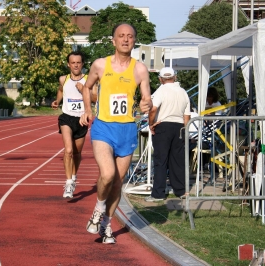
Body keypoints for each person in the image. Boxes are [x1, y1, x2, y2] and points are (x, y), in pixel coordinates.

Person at [79, 23, 152, 244]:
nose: (125, 39)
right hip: (104, 127)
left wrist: (146, 104)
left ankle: (107, 225)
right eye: (121, 36)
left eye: (130, 36)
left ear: (134, 41)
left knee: (118, 183)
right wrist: (88, 109)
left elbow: (147, 98)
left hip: (128, 130)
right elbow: (86, 86)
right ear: (113, 40)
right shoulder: (100, 65)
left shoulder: (140, 69)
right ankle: (98, 210)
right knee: (108, 174)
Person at [145, 67, 191, 202]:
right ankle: (181, 190)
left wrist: (151, 123)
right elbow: (186, 115)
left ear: (160, 79)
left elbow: (153, 108)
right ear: (175, 77)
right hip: (179, 126)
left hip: (163, 125)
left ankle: (158, 193)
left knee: (161, 160)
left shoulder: (161, 91)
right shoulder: (183, 92)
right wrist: (185, 129)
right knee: (177, 160)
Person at [51, 51, 89, 199]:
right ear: (68, 64)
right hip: (66, 118)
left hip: (82, 119)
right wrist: (57, 101)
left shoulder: (88, 80)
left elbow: (95, 97)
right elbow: (61, 90)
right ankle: (68, 183)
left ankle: (73, 177)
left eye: (78, 62)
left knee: (77, 153)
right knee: (68, 150)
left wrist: (84, 90)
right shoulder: (63, 79)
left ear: (82, 64)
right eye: (73, 63)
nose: (76, 65)